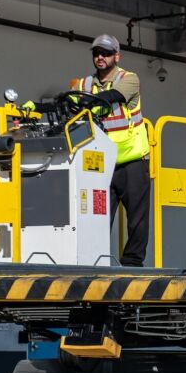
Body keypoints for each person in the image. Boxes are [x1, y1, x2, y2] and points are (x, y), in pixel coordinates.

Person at [71, 34, 151, 266]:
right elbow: (70, 105)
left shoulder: (129, 79)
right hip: (100, 161)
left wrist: (83, 100)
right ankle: (96, 260)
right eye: (97, 53)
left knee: (137, 217)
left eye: (105, 53)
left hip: (131, 158)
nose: (100, 57)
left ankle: (132, 262)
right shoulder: (84, 85)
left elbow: (112, 97)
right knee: (97, 215)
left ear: (117, 56)